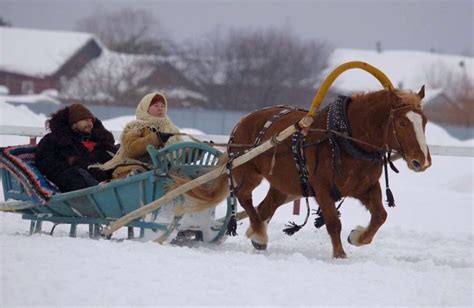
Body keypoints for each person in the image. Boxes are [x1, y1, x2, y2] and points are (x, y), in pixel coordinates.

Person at [95, 92, 182, 179]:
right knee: (138, 171)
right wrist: (156, 138)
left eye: (162, 106)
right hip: (136, 166)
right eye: (156, 106)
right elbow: (131, 148)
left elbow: (179, 151)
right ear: (146, 108)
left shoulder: (171, 128)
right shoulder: (136, 127)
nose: (160, 109)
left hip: (165, 169)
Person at [35, 104, 117, 192]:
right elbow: (45, 163)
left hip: (106, 180)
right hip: (76, 183)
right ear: (74, 123)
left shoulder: (99, 140)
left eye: (91, 121)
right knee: (74, 175)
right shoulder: (53, 140)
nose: (90, 124)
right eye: (86, 120)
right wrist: (75, 162)